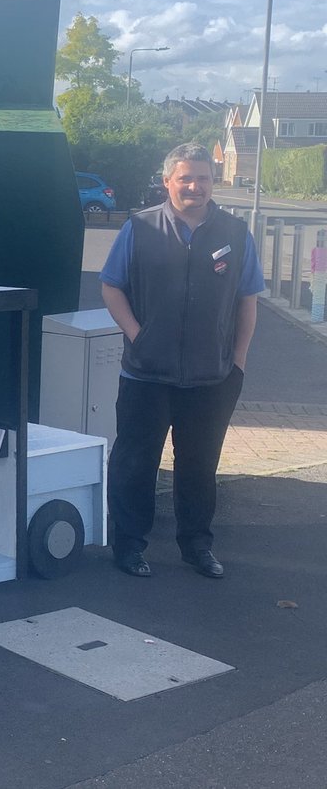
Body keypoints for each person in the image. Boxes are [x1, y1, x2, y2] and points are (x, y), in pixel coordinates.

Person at [100, 142, 264, 580]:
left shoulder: (234, 233)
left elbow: (248, 300)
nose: (195, 186)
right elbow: (111, 287)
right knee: (136, 463)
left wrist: (238, 361)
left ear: (214, 181)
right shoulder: (140, 228)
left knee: (199, 466)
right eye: (186, 178)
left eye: (204, 178)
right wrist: (139, 336)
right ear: (168, 181)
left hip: (212, 377)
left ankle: (197, 547)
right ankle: (130, 546)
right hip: (146, 374)